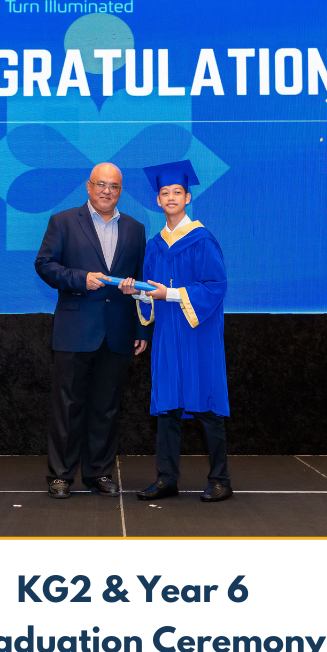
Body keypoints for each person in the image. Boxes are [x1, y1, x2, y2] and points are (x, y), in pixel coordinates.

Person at [118, 160, 232, 503]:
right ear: (157, 200)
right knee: (167, 407)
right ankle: (167, 478)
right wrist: (136, 292)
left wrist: (168, 293)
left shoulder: (202, 240)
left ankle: (220, 479)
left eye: (177, 192)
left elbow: (215, 286)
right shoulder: (155, 245)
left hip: (198, 336)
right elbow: (151, 294)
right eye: (165, 192)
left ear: (187, 197)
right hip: (168, 335)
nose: (170, 197)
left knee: (206, 405)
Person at [35, 163, 151, 499]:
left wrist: (142, 329)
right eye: (101, 184)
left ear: (121, 191)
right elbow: (45, 264)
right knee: (67, 407)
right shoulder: (63, 221)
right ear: (88, 186)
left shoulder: (136, 228)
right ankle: (61, 475)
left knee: (107, 407)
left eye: (113, 186)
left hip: (119, 332)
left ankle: (99, 472)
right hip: (75, 329)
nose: (106, 191)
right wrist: (80, 279)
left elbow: (141, 283)